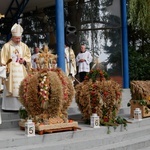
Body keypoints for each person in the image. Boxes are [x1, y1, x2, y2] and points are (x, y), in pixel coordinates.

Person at [0, 23, 31, 111]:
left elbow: (28, 57)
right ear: (12, 37)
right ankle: (9, 107)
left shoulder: (24, 46)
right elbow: (2, 59)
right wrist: (5, 66)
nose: (18, 40)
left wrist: (24, 61)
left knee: (21, 87)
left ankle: (22, 107)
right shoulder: (6, 46)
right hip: (11, 72)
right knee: (11, 88)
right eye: (16, 38)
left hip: (21, 72)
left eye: (19, 38)